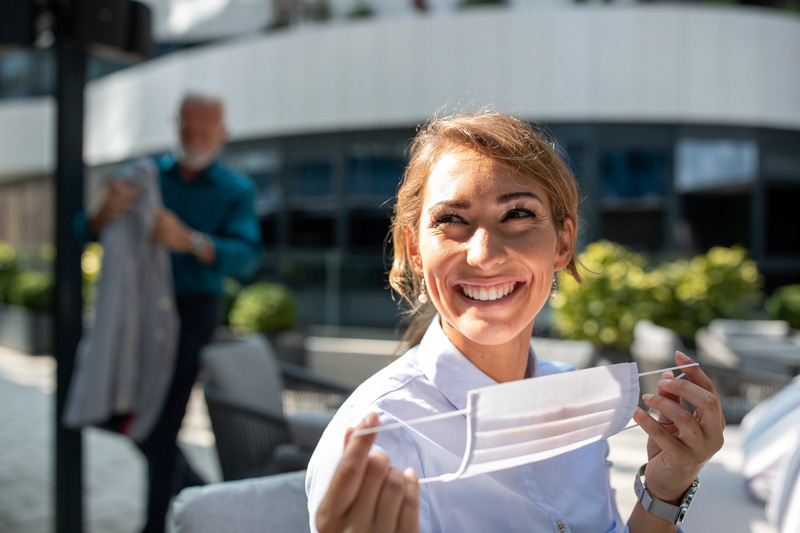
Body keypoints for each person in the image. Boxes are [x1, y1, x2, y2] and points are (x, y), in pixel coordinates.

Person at [305, 110, 725, 533]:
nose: (485, 255)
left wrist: (665, 491)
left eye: (518, 215)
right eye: (452, 220)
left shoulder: (576, 399)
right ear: (414, 250)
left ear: (563, 242)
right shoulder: (379, 440)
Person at [76, 94, 263, 533]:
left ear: (223, 133)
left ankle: (156, 524)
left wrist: (191, 241)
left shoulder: (235, 189)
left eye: (204, 132)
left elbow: (247, 256)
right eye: (187, 129)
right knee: (111, 404)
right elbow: (81, 230)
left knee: (160, 425)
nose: (194, 139)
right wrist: (103, 209)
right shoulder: (144, 178)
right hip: (135, 311)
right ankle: (198, 488)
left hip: (192, 316)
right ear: (175, 125)